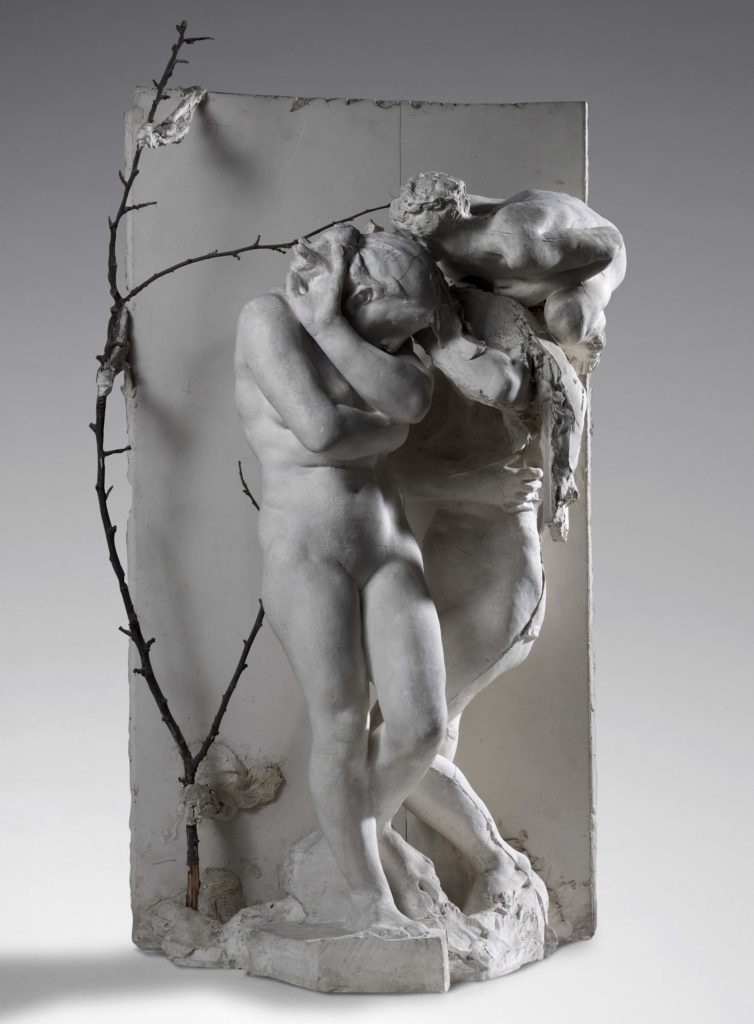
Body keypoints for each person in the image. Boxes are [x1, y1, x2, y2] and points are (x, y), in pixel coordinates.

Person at [234, 225, 449, 937]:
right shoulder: (268, 318)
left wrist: (333, 328)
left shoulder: (351, 334)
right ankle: (368, 902)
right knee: (341, 726)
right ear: (366, 292)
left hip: (387, 544)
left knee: (421, 726)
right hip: (308, 550)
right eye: (400, 326)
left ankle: (348, 840)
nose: (406, 343)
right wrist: (383, 429)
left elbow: (412, 405)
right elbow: (322, 431)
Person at [390, 171, 626, 373]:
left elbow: (611, 244)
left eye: (411, 238)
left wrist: (537, 288)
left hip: (596, 253)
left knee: (566, 323)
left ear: (426, 240)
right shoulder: (454, 223)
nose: (409, 245)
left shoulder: (518, 247)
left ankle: (592, 329)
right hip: (541, 215)